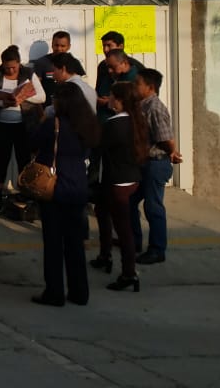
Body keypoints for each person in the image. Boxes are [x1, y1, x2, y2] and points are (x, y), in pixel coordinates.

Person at [28, 82, 99, 307]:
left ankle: (54, 292)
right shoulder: (88, 124)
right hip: (78, 186)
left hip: (55, 187)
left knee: (53, 242)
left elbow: (33, 143)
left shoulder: (53, 124)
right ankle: (79, 292)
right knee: (75, 242)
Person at [91, 81, 147, 292]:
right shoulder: (136, 121)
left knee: (123, 230)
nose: (110, 100)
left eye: (113, 97)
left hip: (117, 181)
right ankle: (105, 255)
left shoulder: (114, 124)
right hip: (130, 178)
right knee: (102, 211)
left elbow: (97, 145)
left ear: (120, 100)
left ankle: (129, 273)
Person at [0, 45, 46, 216]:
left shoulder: (28, 73)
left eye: (14, 67)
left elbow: (42, 96)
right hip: (1, 124)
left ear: (19, 63)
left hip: (23, 125)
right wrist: (3, 102)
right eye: (7, 67)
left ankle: (26, 196)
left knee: (23, 160)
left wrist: (22, 96)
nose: (10, 70)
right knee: (1, 161)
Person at [131, 68, 181, 265]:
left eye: (138, 84)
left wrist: (172, 152)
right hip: (144, 163)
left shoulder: (154, 108)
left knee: (153, 207)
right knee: (129, 202)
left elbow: (165, 138)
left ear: (150, 87)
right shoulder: (142, 106)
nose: (135, 87)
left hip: (155, 163)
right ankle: (133, 241)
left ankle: (157, 249)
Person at [31, 31, 87, 107]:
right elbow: (35, 89)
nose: (59, 48)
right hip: (48, 107)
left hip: (69, 108)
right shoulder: (41, 63)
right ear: (52, 45)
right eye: (56, 45)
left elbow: (81, 86)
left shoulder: (75, 63)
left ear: (69, 46)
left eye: (62, 46)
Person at [95, 33, 144, 119]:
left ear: (120, 46)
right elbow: (98, 89)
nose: (106, 50)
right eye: (104, 46)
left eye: (109, 45)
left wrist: (110, 101)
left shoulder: (136, 68)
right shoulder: (102, 66)